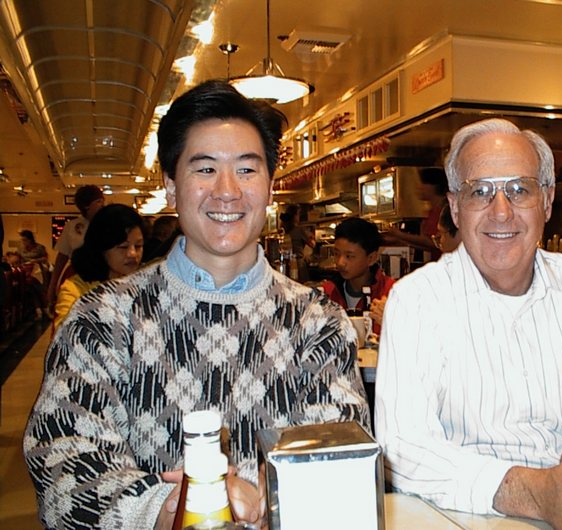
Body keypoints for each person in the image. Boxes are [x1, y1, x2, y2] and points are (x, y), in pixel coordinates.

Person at [24, 79, 370, 530]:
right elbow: (62, 469)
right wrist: (171, 505)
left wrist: (272, 499)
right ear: (170, 186)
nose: (227, 190)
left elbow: (340, 458)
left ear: (270, 186)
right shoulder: (103, 319)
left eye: (246, 170)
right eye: (205, 168)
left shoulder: (317, 322)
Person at [375, 118, 562, 530]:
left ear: (547, 201)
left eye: (520, 189)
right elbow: (403, 447)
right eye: (480, 191)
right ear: (455, 207)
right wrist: (532, 492)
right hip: (465, 517)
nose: (501, 211)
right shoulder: (416, 300)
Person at [53, 203, 145, 330]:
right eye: (123, 247)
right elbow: (66, 336)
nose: (133, 254)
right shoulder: (76, 290)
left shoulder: (146, 282)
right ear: (101, 247)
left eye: (138, 246)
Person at [321, 217, 395, 334]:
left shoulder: (391, 293)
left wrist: (392, 320)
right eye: (336, 254)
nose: (340, 262)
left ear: (371, 258)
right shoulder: (326, 292)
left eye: (349, 256)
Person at [45, 184, 105, 307]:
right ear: (86, 205)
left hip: (103, 274)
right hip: (77, 273)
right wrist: (52, 285)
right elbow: (62, 256)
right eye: (98, 201)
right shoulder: (72, 226)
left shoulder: (110, 224)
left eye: (102, 201)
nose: (102, 204)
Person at [384, 166, 448, 262]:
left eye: (423, 183)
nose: (419, 187)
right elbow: (427, 246)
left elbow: (433, 243)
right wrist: (399, 240)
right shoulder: (431, 212)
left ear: (434, 186)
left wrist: (399, 235)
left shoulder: (444, 211)